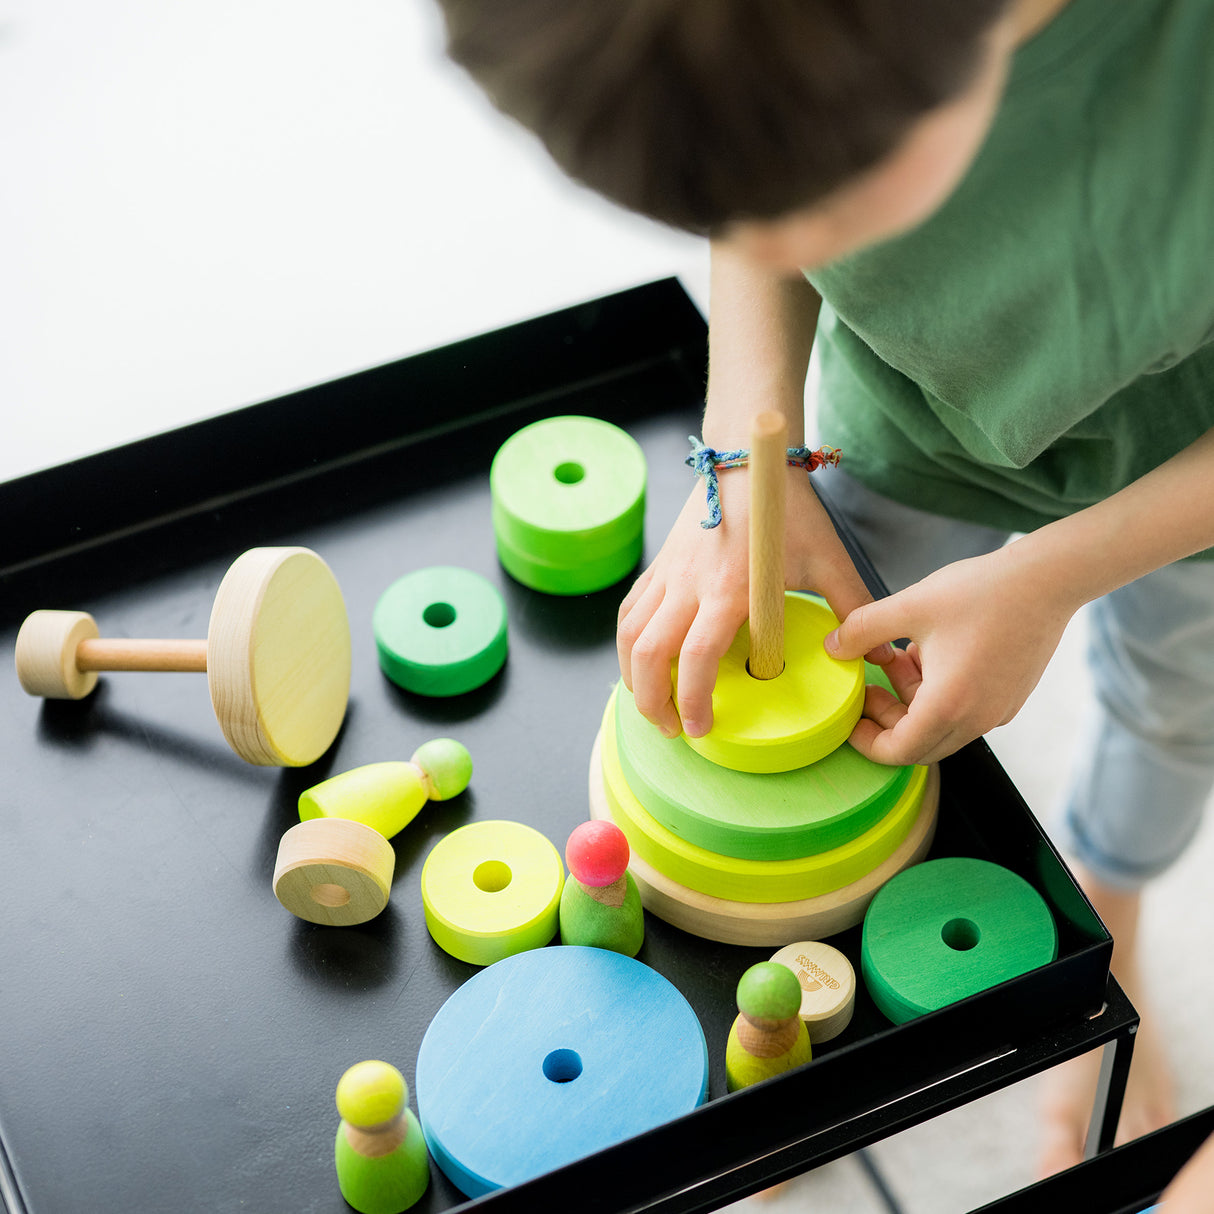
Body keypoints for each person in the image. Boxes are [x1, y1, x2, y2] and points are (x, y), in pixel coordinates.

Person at [433, 0, 1214, 1177]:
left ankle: (1113, 894)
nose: (771, 231)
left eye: (817, 200)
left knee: (1173, 705)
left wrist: (1052, 575)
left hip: (1182, 473)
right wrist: (745, 461)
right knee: (833, 624)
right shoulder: (788, 50)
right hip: (906, 417)